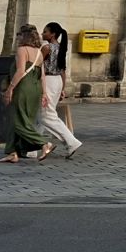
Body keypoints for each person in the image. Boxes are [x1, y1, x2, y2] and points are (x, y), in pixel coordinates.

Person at [0, 25, 51, 163]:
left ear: (24, 36)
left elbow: (21, 71)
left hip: (22, 88)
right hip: (35, 89)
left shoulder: (22, 50)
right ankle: (12, 152)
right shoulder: (39, 52)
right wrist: (44, 93)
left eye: (19, 35)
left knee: (17, 120)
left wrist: (10, 88)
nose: (18, 37)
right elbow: (42, 76)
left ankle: (43, 143)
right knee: (25, 119)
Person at [36, 22, 82, 158]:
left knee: (46, 114)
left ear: (53, 34)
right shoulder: (61, 47)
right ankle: (31, 148)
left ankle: (71, 141)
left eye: (45, 31)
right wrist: (62, 87)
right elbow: (62, 70)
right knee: (39, 114)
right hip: (57, 80)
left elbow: (37, 66)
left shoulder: (46, 48)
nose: (42, 33)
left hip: (48, 80)